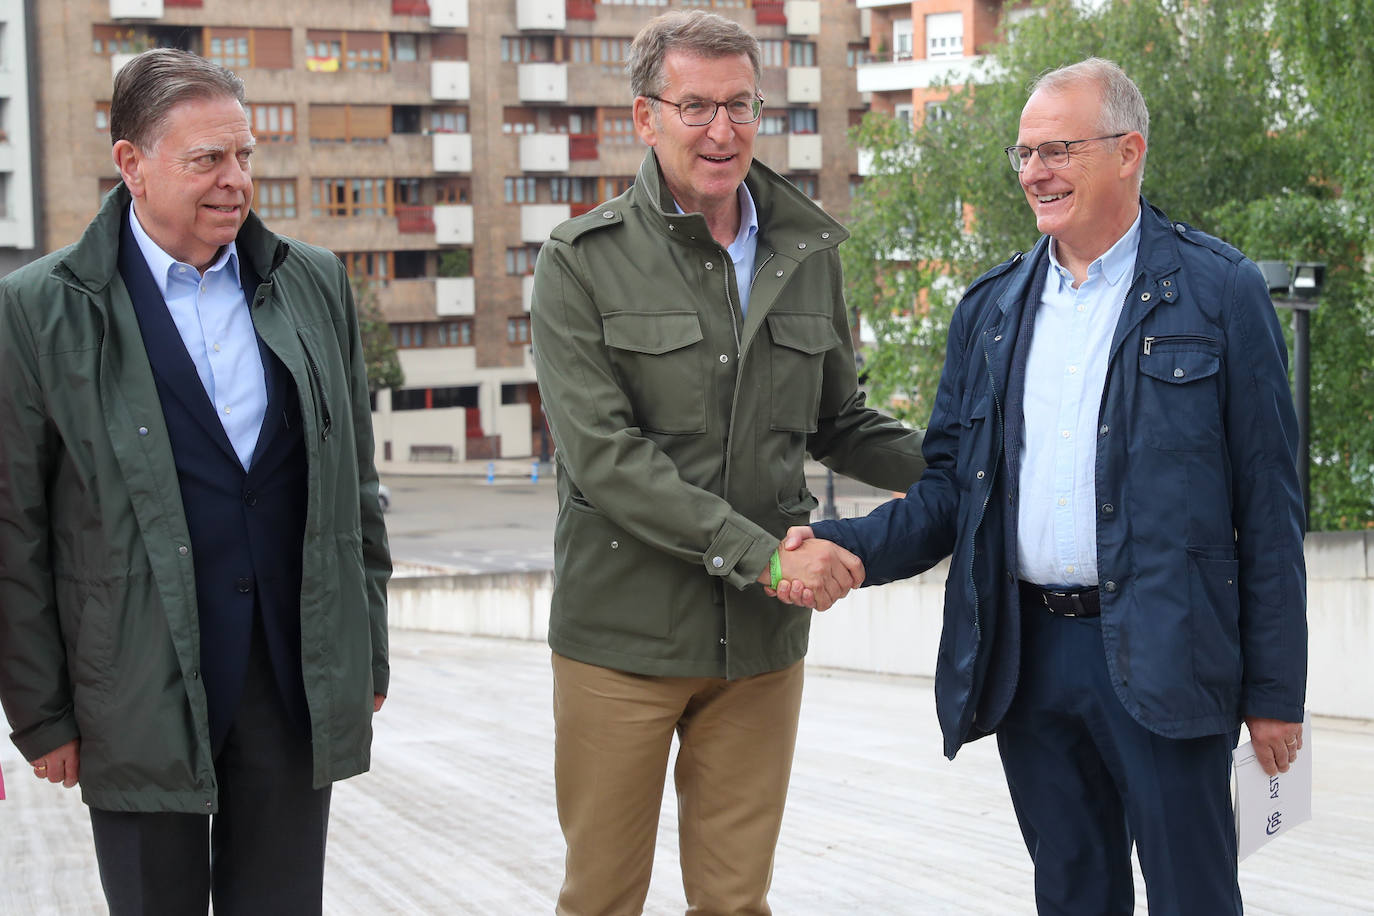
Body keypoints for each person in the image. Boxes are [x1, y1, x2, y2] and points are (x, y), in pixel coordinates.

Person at [779, 58, 1307, 914]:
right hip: (1029, 658)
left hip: (1169, 651)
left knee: (1194, 896)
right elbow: (952, 489)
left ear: (1129, 151)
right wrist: (846, 547)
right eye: (1023, 155)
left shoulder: (1220, 294)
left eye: (1058, 150)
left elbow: (1272, 513)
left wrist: (1277, 695)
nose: (1035, 173)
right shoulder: (990, 310)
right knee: (1070, 897)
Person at [530, 10, 925, 914]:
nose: (722, 130)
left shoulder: (807, 252)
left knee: (738, 904)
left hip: (759, 649)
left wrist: (968, 464)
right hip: (622, 646)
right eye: (696, 106)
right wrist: (766, 555)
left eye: (741, 106)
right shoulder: (580, 263)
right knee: (601, 899)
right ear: (645, 116)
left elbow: (840, 421)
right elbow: (606, 460)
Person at [0, 49, 390, 915]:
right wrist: (41, 713)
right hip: (135, 686)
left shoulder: (312, 281)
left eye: (244, 155)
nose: (234, 180)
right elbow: (14, 529)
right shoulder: (38, 309)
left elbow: (354, 485)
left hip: (291, 677)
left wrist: (367, 652)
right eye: (206, 159)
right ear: (131, 164)